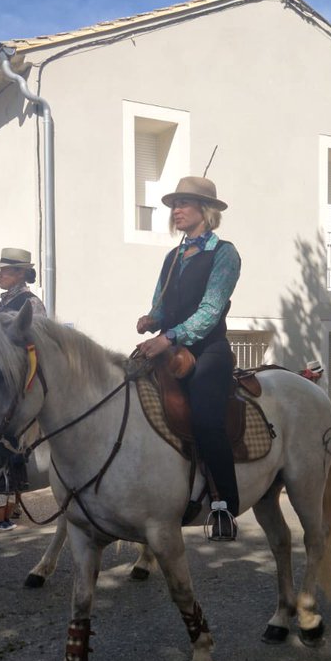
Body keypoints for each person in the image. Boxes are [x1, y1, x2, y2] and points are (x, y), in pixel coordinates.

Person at [136, 176, 242, 539]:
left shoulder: (224, 253)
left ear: (205, 211)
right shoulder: (173, 256)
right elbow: (164, 305)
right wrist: (153, 319)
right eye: (174, 204)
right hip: (171, 345)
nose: (176, 210)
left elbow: (211, 311)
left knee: (206, 418)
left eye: (184, 203)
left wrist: (168, 336)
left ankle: (224, 506)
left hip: (207, 349)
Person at [0, 249, 47, 528]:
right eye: (0, 271)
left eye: (5, 271)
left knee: (10, 443)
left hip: (20, 379)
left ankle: (6, 508)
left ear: (20, 273)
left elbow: (38, 341)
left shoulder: (32, 303)